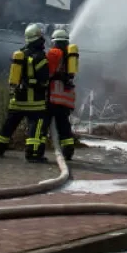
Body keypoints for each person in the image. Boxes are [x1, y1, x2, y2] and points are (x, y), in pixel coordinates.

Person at [0, 23, 51, 163]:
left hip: (17, 99)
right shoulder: (40, 57)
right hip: (34, 102)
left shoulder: (20, 54)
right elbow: (44, 81)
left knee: (8, 126)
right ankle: (33, 155)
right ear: (38, 38)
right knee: (36, 128)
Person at [46, 28, 79, 161]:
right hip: (67, 97)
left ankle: (37, 150)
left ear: (54, 41)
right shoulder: (71, 55)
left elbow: (47, 72)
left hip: (54, 95)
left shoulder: (54, 53)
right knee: (64, 125)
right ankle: (68, 151)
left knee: (44, 123)